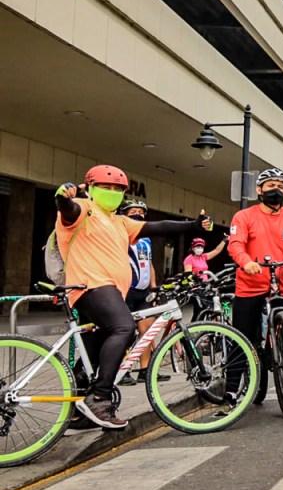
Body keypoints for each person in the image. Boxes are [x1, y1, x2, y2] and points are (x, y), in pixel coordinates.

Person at [55, 165, 211, 429]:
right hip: (91, 286)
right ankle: (100, 398)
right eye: (106, 187)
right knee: (125, 328)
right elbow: (66, 209)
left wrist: (194, 225)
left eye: (118, 189)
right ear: (91, 188)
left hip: (108, 290)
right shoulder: (82, 209)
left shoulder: (119, 221)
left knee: (95, 354)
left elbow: (158, 226)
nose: (112, 192)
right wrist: (62, 195)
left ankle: (78, 414)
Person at [226, 168, 283, 407]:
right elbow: (235, 245)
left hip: (282, 287)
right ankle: (231, 393)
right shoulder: (244, 216)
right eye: (269, 185)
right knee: (241, 338)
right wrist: (246, 262)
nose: (274, 190)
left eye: (280, 186)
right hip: (250, 286)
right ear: (259, 190)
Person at [118, 199, 160, 386]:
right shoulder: (120, 235)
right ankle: (122, 370)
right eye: (133, 211)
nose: (138, 214)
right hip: (126, 290)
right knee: (125, 332)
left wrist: (153, 286)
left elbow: (149, 264)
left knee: (147, 332)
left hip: (143, 292)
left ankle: (145, 370)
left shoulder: (147, 239)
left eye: (141, 212)